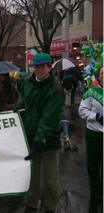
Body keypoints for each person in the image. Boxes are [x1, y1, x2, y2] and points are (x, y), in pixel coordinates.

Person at [15, 53, 64, 213]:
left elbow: (49, 119)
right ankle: (31, 203)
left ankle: (50, 207)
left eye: (43, 66)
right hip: (30, 137)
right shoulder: (28, 83)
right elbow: (25, 101)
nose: (39, 69)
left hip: (49, 139)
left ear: (49, 67)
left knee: (50, 178)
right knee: (32, 176)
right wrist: (19, 108)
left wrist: (39, 140)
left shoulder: (55, 89)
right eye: (37, 66)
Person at [78, 66, 103, 213]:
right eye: (102, 73)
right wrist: (96, 117)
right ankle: (96, 191)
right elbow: (82, 110)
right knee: (94, 165)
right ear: (98, 76)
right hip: (94, 134)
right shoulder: (91, 93)